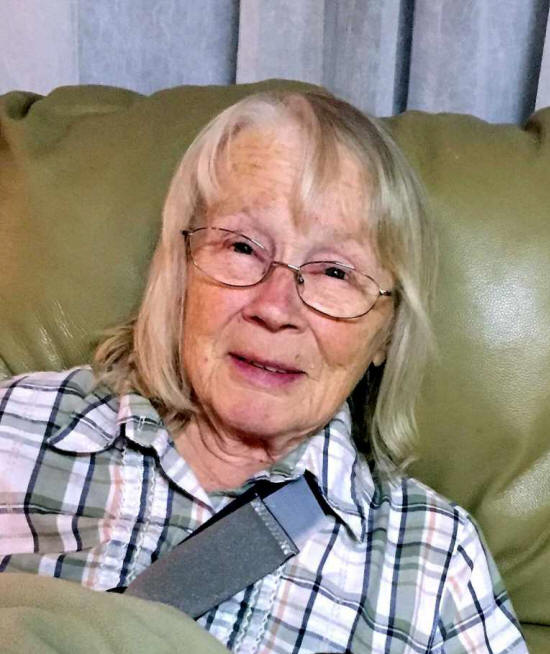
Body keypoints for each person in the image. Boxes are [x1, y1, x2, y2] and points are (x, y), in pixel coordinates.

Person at [0, 90, 527, 653]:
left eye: (335, 272)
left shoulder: (439, 563)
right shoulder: (14, 426)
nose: (275, 308)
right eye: (243, 247)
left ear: (386, 333)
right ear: (179, 269)